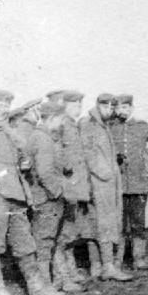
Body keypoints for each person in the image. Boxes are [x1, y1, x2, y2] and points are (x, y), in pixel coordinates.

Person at [0, 89, 64, 295]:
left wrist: (23, 164)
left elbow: (21, 156)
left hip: (16, 197)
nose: (3, 110)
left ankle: (37, 289)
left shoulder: (10, 133)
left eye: (6, 106)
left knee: (25, 245)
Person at [26, 101, 84, 293]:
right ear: (52, 118)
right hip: (47, 199)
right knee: (44, 243)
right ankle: (45, 286)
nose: (60, 124)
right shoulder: (42, 139)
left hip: (49, 197)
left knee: (55, 240)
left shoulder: (44, 137)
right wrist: (60, 193)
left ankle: (60, 280)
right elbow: (45, 173)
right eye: (59, 119)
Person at [110, 94, 148, 270]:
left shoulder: (142, 127)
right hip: (117, 184)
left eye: (125, 107)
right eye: (118, 108)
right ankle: (117, 260)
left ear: (131, 108)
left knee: (138, 223)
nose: (122, 111)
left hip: (138, 184)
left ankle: (139, 258)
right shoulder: (110, 128)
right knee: (118, 223)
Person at [80, 93, 133, 281]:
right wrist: (105, 173)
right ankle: (107, 266)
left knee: (101, 224)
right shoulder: (90, 125)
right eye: (106, 107)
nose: (109, 111)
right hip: (99, 183)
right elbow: (88, 154)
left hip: (107, 183)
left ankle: (98, 266)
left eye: (112, 108)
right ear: (98, 105)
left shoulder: (103, 126)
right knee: (103, 224)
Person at [59, 90, 99, 280]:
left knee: (80, 228)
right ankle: (69, 271)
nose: (77, 109)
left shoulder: (78, 126)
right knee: (67, 230)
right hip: (69, 186)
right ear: (64, 106)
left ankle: (79, 268)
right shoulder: (61, 126)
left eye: (79, 106)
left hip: (81, 186)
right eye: (73, 105)